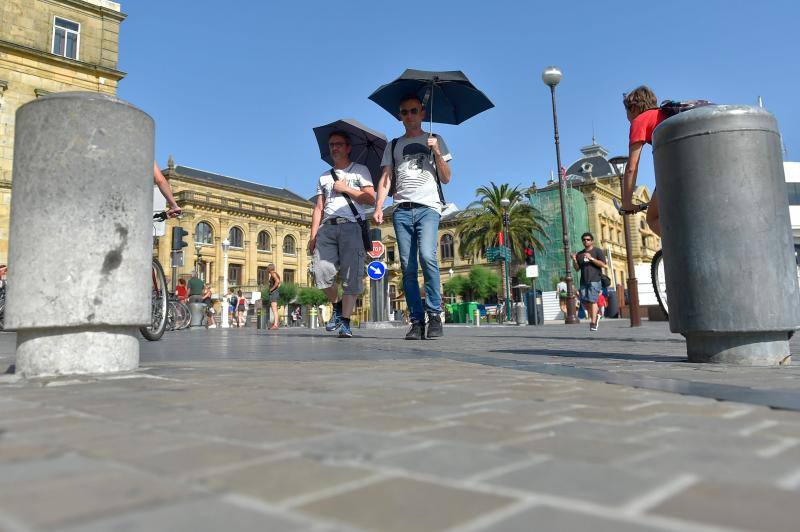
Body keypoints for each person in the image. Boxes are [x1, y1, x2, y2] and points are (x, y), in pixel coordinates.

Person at [373, 95, 452, 340]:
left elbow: (447, 177)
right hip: (401, 210)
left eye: (413, 111)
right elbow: (386, 177)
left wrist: (436, 152)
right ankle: (417, 321)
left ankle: (435, 315)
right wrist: (378, 206)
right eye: (404, 112)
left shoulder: (435, 139)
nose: (409, 115)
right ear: (400, 116)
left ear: (422, 113)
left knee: (428, 256)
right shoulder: (394, 144)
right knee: (408, 267)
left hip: (428, 207)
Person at [308, 130, 375, 339]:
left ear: (348, 148)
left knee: (351, 276)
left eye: (338, 144)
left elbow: (370, 198)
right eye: (331, 144)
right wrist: (313, 235)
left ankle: (345, 322)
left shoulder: (360, 170)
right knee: (320, 271)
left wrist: (346, 189)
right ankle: (336, 306)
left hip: (352, 226)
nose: (334, 148)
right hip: (327, 227)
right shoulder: (323, 176)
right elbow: (319, 207)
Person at [621, 86, 667, 236]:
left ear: (633, 108)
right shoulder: (664, 114)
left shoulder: (640, 120)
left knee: (653, 218)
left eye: (626, 112)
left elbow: (631, 167)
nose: (627, 117)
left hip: (676, 170)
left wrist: (627, 202)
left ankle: (686, 250)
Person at [572, 232, 607, 332]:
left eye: (588, 239)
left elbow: (603, 264)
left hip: (595, 280)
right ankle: (597, 316)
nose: (586, 241)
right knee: (585, 302)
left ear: (592, 241)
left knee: (592, 301)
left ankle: (593, 322)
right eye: (584, 240)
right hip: (584, 281)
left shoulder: (597, 251)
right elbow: (577, 269)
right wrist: (574, 260)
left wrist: (591, 258)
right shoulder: (580, 254)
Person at [265, 264, 281, 329]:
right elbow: (279, 283)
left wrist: (272, 289)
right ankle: (276, 323)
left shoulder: (273, 274)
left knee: (274, 309)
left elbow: (277, 281)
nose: (267, 270)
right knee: (275, 309)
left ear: (269, 268)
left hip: (274, 293)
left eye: (267, 268)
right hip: (275, 292)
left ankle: (275, 324)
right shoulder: (275, 274)